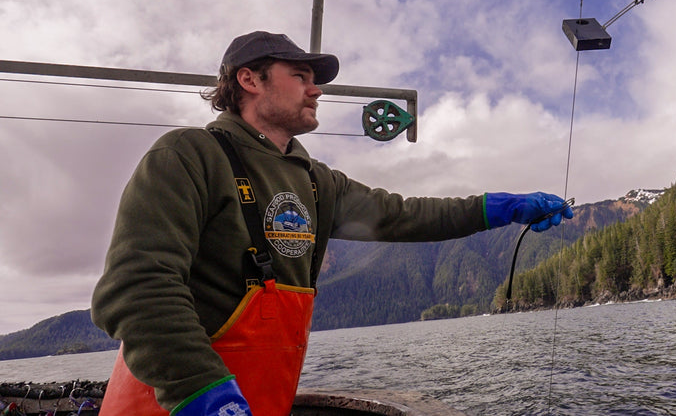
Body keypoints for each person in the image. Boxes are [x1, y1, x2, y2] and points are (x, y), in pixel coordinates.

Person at [91, 31, 573, 416]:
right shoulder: (188, 154)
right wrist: (205, 397)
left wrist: (503, 208)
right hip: (169, 406)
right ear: (250, 81)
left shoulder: (319, 182)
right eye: (300, 76)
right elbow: (136, 289)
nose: (316, 88)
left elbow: (406, 215)